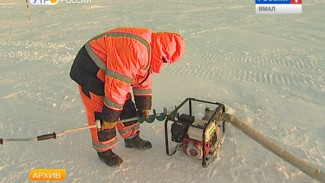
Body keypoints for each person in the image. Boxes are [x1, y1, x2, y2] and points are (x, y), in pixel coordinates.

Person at [69, 27, 185, 167]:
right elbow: (117, 85)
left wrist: (144, 106)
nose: (164, 65)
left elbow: (142, 78)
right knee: (101, 113)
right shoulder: (135, 49)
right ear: (163, 54)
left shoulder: (149, 49)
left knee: (125, 103)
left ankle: (131, 138)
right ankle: (104, 150)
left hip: (110, 70)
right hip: (90, 70)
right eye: (165, 61)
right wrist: (110, 117)